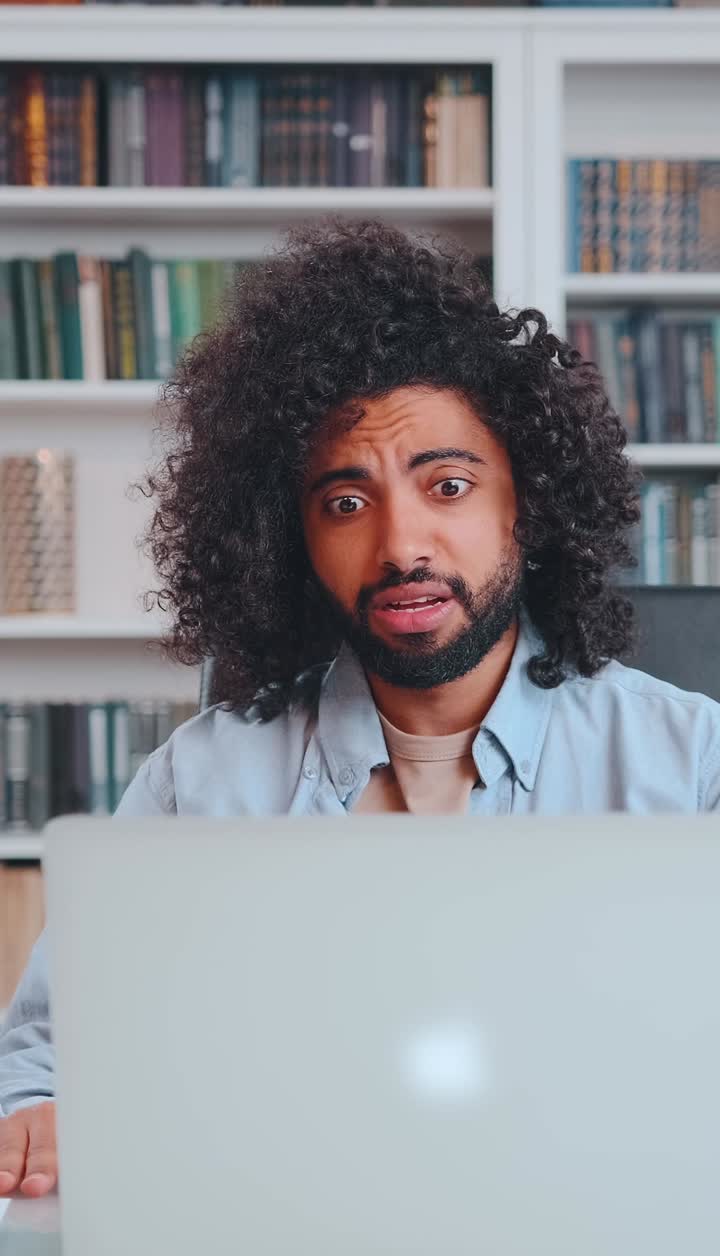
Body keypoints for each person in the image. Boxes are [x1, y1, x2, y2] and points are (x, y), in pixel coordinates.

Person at [1, 219, 719, 1198]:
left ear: (529, 504)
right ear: (288, 537)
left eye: (449, 485)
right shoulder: (198, 783)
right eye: (345, 502)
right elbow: (46, 1053)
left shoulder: (692, 769)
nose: (399, 545)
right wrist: (34, 1117)